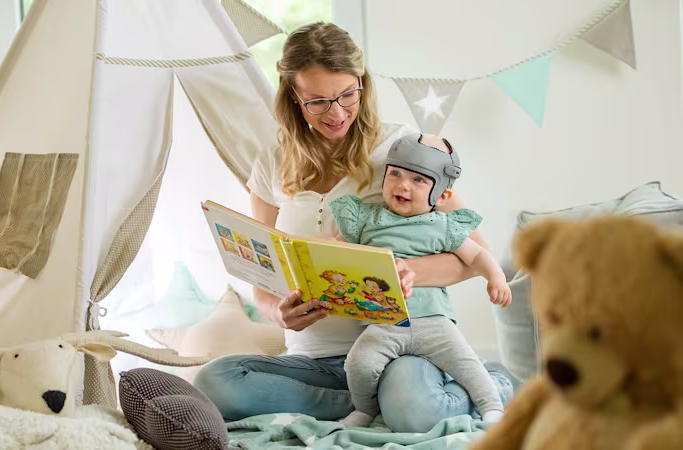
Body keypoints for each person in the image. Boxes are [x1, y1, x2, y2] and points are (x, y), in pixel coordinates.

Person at [193, 21, 515, 432]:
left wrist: (401, 272)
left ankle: (487, 386)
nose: (337, 112)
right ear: (294, 97)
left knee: (412, 407)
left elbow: (473, 254)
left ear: (362, 83)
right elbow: (264, 276)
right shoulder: (271, 162)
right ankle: (373, 401)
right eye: (318, 101)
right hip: (316, 360)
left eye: (348, 94)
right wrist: (278, 313)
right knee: (215, 382)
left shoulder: (402, 150)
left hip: (400, 349)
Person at [331, 133, 511, 428]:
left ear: (441, 196)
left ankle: (493, 407)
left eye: (418, 180)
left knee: (467, 364)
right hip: (384, 323)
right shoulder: (366, 220)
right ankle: (365, 410)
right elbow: (335, 247)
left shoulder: (441, 224)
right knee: (358, 363)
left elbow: (477, 255)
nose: (403, 184)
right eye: (396, 174)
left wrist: (496, 277)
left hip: (433, 322)